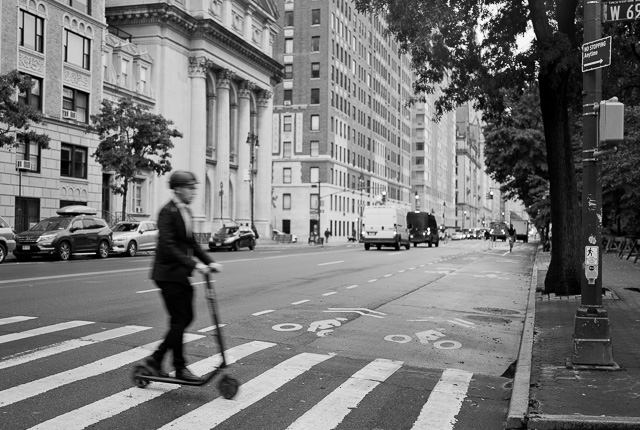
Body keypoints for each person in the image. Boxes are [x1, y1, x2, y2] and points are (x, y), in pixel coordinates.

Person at [147, 170, 222, 382]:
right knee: (181, 319)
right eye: (190, 188)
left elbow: (191, 244)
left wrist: (209, 261)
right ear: (178, 189)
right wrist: (195, 265)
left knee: (182, 319)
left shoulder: (185, 212)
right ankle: (171, 364)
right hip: (167, 274)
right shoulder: (167, 212)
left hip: (179, 275)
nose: (193, 192)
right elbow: (169, 247)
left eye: (194, 188)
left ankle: (160, 361)